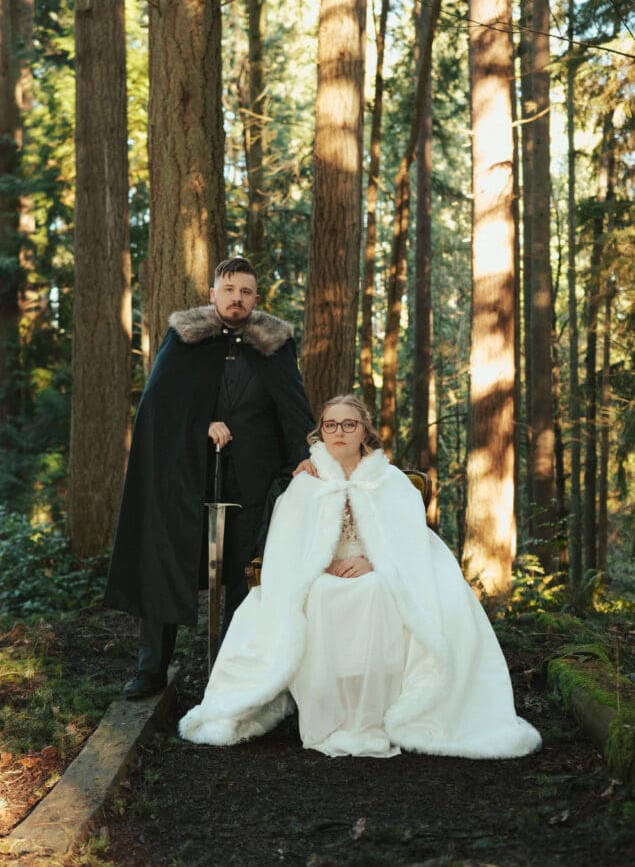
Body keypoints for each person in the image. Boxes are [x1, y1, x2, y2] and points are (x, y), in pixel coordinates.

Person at [179, 395, 542, 759]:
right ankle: (331, 713)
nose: (339, 432)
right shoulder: (306, 481)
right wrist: (317, 566)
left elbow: (409, 538)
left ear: (364, 430)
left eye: (349, 424)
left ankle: (376, 713)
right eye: (330, 425)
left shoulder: (390, 480)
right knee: (319, 594)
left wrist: (374, 562)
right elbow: (286, 543)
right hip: (320, 574)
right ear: (320, 431)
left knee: (377, 591)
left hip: (378, 569)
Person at [104, 257, 315, 700]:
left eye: (246, 291)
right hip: (185, 475)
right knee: (164, 562)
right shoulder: (185, 337)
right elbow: (159, 406)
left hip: (252, 479)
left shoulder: (274, 344)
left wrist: (303, 458)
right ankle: (151, 669)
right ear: (213, 293)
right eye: (229, 289)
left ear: (256, 299)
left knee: (244, 574)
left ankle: (231, 671)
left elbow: (293, 408)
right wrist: (203, 422)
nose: (237, 297)